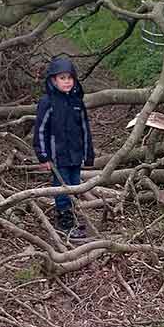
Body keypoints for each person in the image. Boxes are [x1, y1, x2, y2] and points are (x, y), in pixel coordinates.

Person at [33, 56, 95, 237]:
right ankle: (64, 220)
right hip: (57, 155)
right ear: (53, 80)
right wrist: (43, 156)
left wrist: (88, 154)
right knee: (62, 187)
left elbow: (85, 128)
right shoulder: (48, 102)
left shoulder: (77, 102)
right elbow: (41, 130)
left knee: (75, 186)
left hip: (75, 154)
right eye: (62, 78)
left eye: (70, 78)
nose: (67, 82)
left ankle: (72, 215)